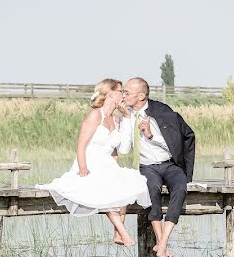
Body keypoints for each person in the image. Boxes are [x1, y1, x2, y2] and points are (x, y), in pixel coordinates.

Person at [36, 78, 151, 245]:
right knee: (104, 188)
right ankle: (124, 234)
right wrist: (83, 168)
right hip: (90, 161)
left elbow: (120, 149)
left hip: (107, 163)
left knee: (128, 184)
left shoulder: (117, 119)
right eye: (121, 91)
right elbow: (81, 145)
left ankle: (118, 233)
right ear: (111, 93)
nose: (124, 95)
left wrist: (127, 117)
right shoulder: (95, 115)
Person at [117, 77, 195, 257]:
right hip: (147, 167)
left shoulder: (162, 112)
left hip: (169, 164)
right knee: (151, 188)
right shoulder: (125, 116)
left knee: (180, 186)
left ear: (142, 95)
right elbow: (124, 149)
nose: (123, 95)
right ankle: (161, 243)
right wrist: (127, 120)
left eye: (127, 92)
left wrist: (151, 136)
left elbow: (176, 144)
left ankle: (163, 241)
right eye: (123, 92)